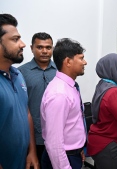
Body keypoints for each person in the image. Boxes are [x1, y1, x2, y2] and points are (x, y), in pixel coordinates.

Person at [40, 38, 87, 169]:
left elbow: (73, 124)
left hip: (72, 154)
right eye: (81, 58)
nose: (85, 62)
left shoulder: (70, 87)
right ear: (68, 61)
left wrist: (78, 148)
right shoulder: (59, 93)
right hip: (61, 159)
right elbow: (54, 143)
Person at [0, 13, 39, 169]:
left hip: (22, 160)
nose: (22, 44)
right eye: (15, 39)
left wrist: (32, 151)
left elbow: (26, 112)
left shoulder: (18, 75)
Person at [18, 32, 57, 164]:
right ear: (31, 48)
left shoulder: (60, 71)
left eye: (48, 47)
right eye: (40, 47)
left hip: (57, 136)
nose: (44, 51)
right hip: (31, 137)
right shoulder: (20, 73)